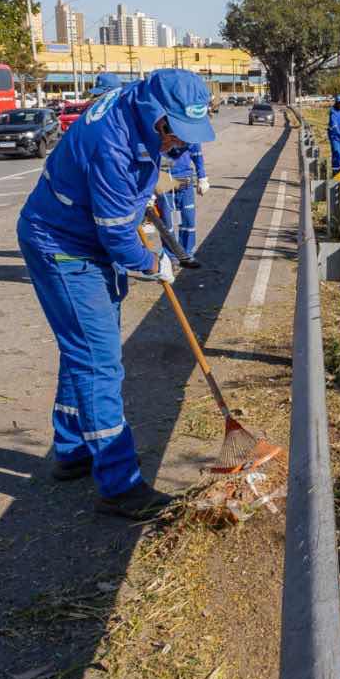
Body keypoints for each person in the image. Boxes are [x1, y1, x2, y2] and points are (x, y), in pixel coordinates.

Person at [15, 69, 214, 520]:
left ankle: (72, 449)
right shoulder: (113, 145)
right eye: (175, 134)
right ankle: (120, 483)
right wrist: (151, 262)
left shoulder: (137, 107)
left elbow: (131, 203)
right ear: (156, 115)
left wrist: (148, 220)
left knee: (83, 349)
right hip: (64, 247)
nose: (178, 146)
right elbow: (118, 237)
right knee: (99, 361)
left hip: (82, 236)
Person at [157, 141, 208, 269]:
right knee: (166, 224)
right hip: (164, 181)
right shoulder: (160, 130)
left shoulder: (189, 132)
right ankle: (171, 257)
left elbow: (197, 155)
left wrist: (202, 177)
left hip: (185, 182)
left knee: (188, 221)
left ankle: (187, 255)